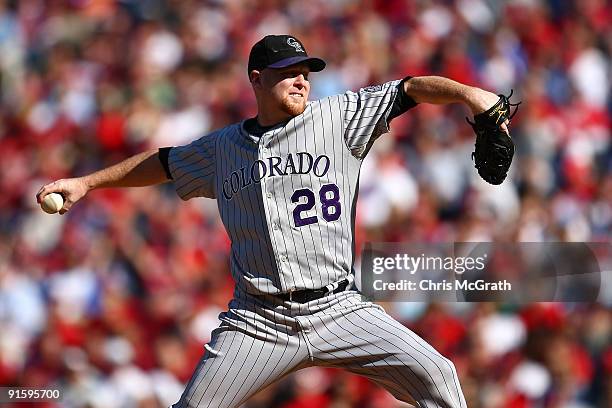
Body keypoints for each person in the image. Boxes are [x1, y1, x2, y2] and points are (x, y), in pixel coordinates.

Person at [37, 34, 508, 408]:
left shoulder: (338, 117)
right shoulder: (222, 149)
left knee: (439, 376)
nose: (301, 80)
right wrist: (87, 183)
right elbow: (162, 163)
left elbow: (410, 89)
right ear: (257, 80)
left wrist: (472, 95)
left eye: (306, 71)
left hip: (339, 308)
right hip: (258, 320)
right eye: (288, 73)